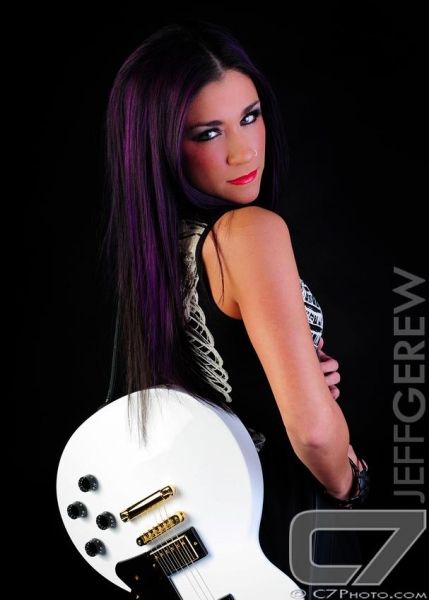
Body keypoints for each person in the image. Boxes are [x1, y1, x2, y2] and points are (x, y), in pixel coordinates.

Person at [103, 18, 369, 596]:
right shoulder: (249, 232)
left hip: (217, 541)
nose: (243, 150)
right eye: (208, 133)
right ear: (160, 146)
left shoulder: (155, 255)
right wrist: (351, 485)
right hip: (291, 526)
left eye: (250, 117)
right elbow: (314, 434)